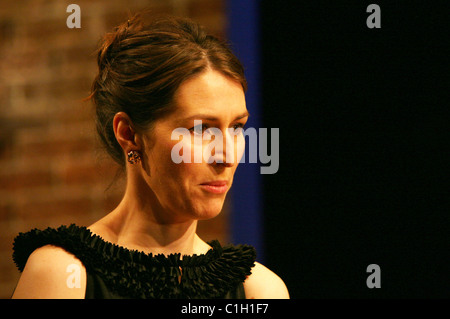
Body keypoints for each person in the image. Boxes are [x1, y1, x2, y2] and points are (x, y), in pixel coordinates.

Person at [11, 12, 289, 299]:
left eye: (236, 127)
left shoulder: (259, 289)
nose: (227, 155)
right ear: (130, 134)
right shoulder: (64, 276)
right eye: (201, 129)